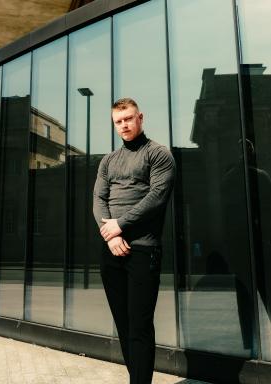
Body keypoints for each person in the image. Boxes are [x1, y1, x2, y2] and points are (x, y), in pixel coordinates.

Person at [93, 98, 175, 384]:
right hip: (111, 251)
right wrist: (110, 235)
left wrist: (119, 225)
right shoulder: (108, 161)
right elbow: (98, 199)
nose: (124, 125)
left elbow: (156, 198)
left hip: (142, 250)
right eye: (118, 121)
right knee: (124, 326)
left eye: (128, 118)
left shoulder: (158, 154)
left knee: (139, 327)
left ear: (140, 117)